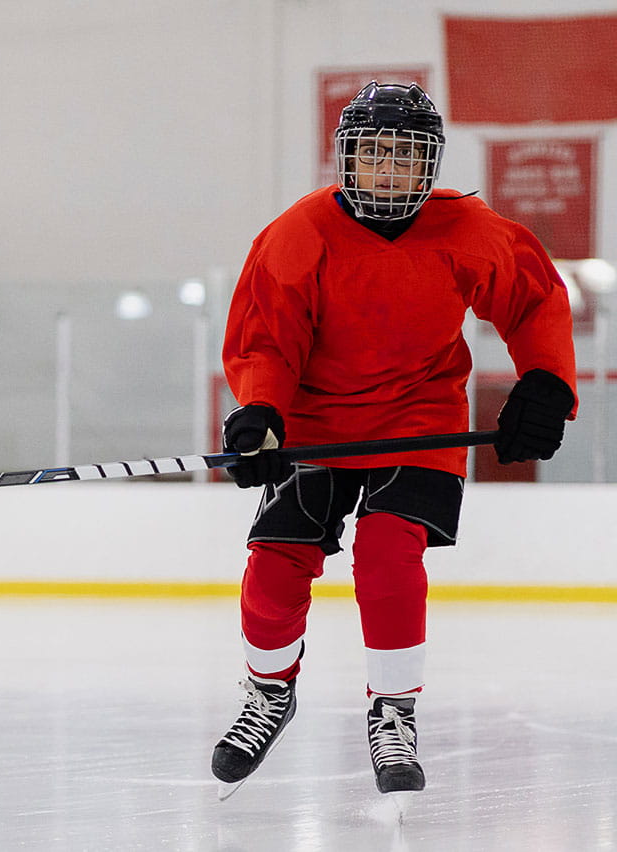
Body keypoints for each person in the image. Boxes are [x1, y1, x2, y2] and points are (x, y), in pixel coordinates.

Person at [209, 81, 578, 801]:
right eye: (373, 154)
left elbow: (534, 298)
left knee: (387, 553)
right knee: (276, 565)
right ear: (346, 160)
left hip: (421, 418)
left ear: (429, 166)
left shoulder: (468, 230)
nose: (388, 171)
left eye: (405, 158)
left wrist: (545, 383)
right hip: (316, 422)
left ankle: (394, 711)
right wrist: (260, 411)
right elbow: (267, 340)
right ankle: (268, 693)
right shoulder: (299, 234)